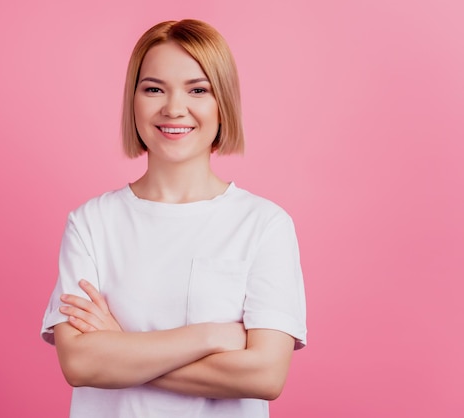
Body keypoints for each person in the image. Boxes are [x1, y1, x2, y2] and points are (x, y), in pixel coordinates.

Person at [41, 19, 307, 418]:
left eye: (198, 90)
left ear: (223, 104)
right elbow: (80, 364)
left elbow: (265, 375)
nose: (174, 108)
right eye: (153, 89)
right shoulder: (91, 223)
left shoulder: (264, 224)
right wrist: (211, 336)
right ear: (133, 100)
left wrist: (119, 347)